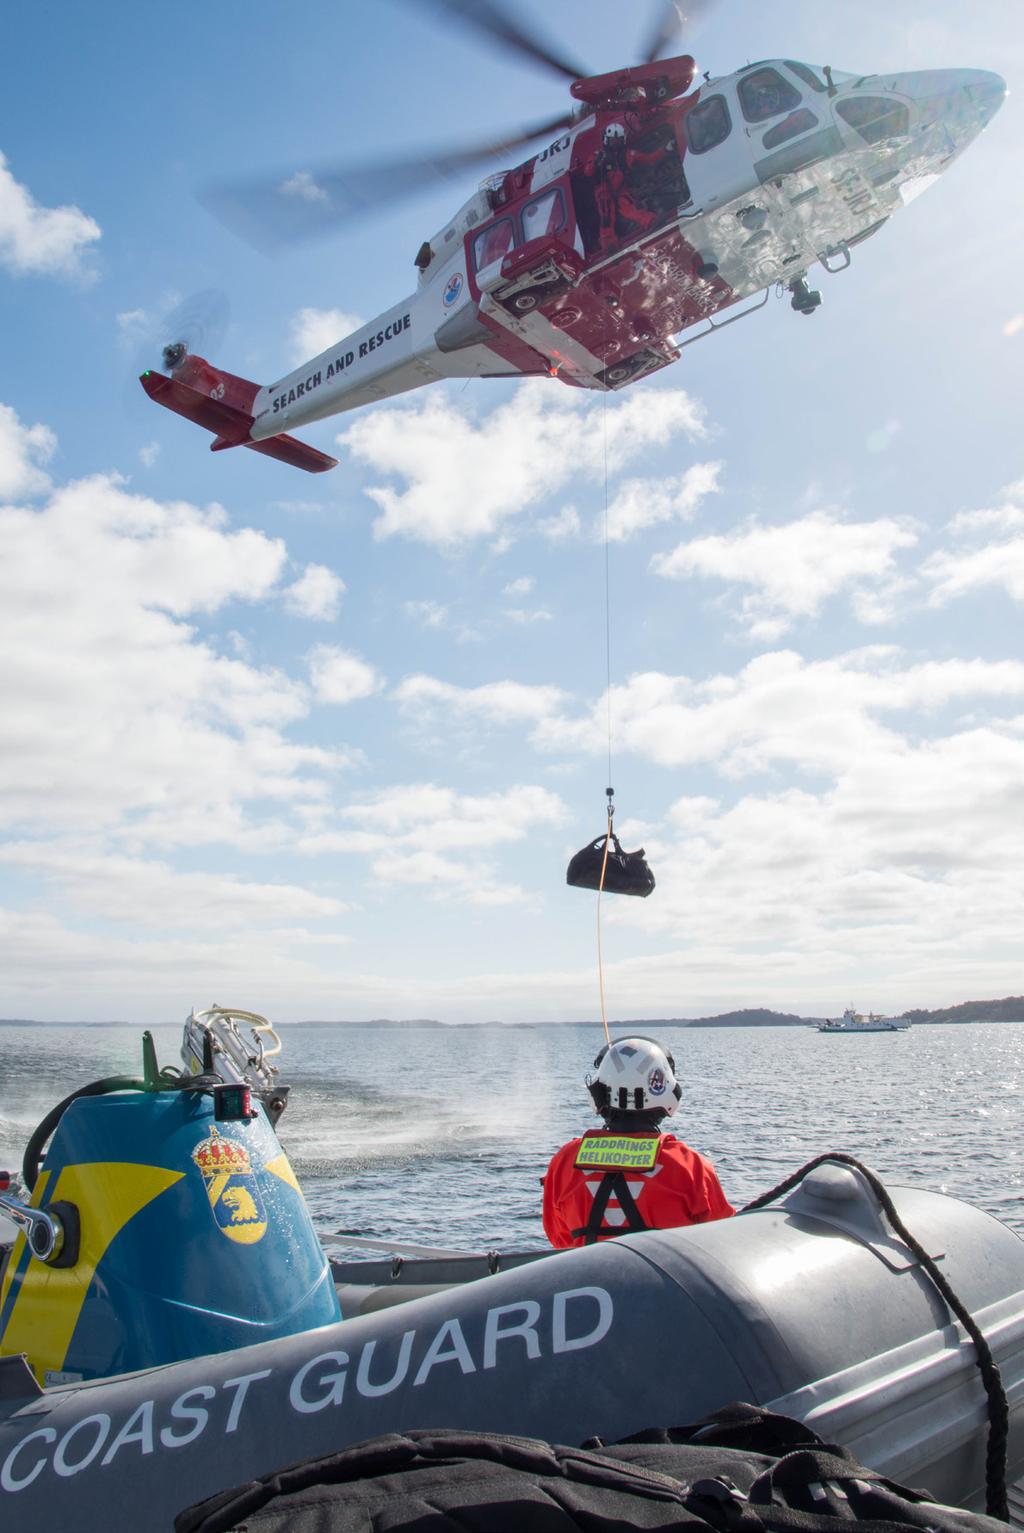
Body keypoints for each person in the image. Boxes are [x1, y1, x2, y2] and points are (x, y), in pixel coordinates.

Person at [542, 1036, 734, 1248]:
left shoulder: (565, 1162)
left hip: (590, 1280)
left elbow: (560, 1239)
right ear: (667, 1091)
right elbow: (722, 1242)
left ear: (599, 1095)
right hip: (667, 1281)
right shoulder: (689, 1167)